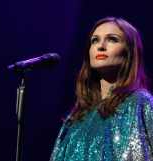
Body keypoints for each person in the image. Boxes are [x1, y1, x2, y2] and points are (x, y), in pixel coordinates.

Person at [50, 17, 153, 161]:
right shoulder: (76, 117)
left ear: (129, 52)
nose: (101, 46)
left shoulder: (141, 103)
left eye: (112, 39)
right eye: (95, 40)